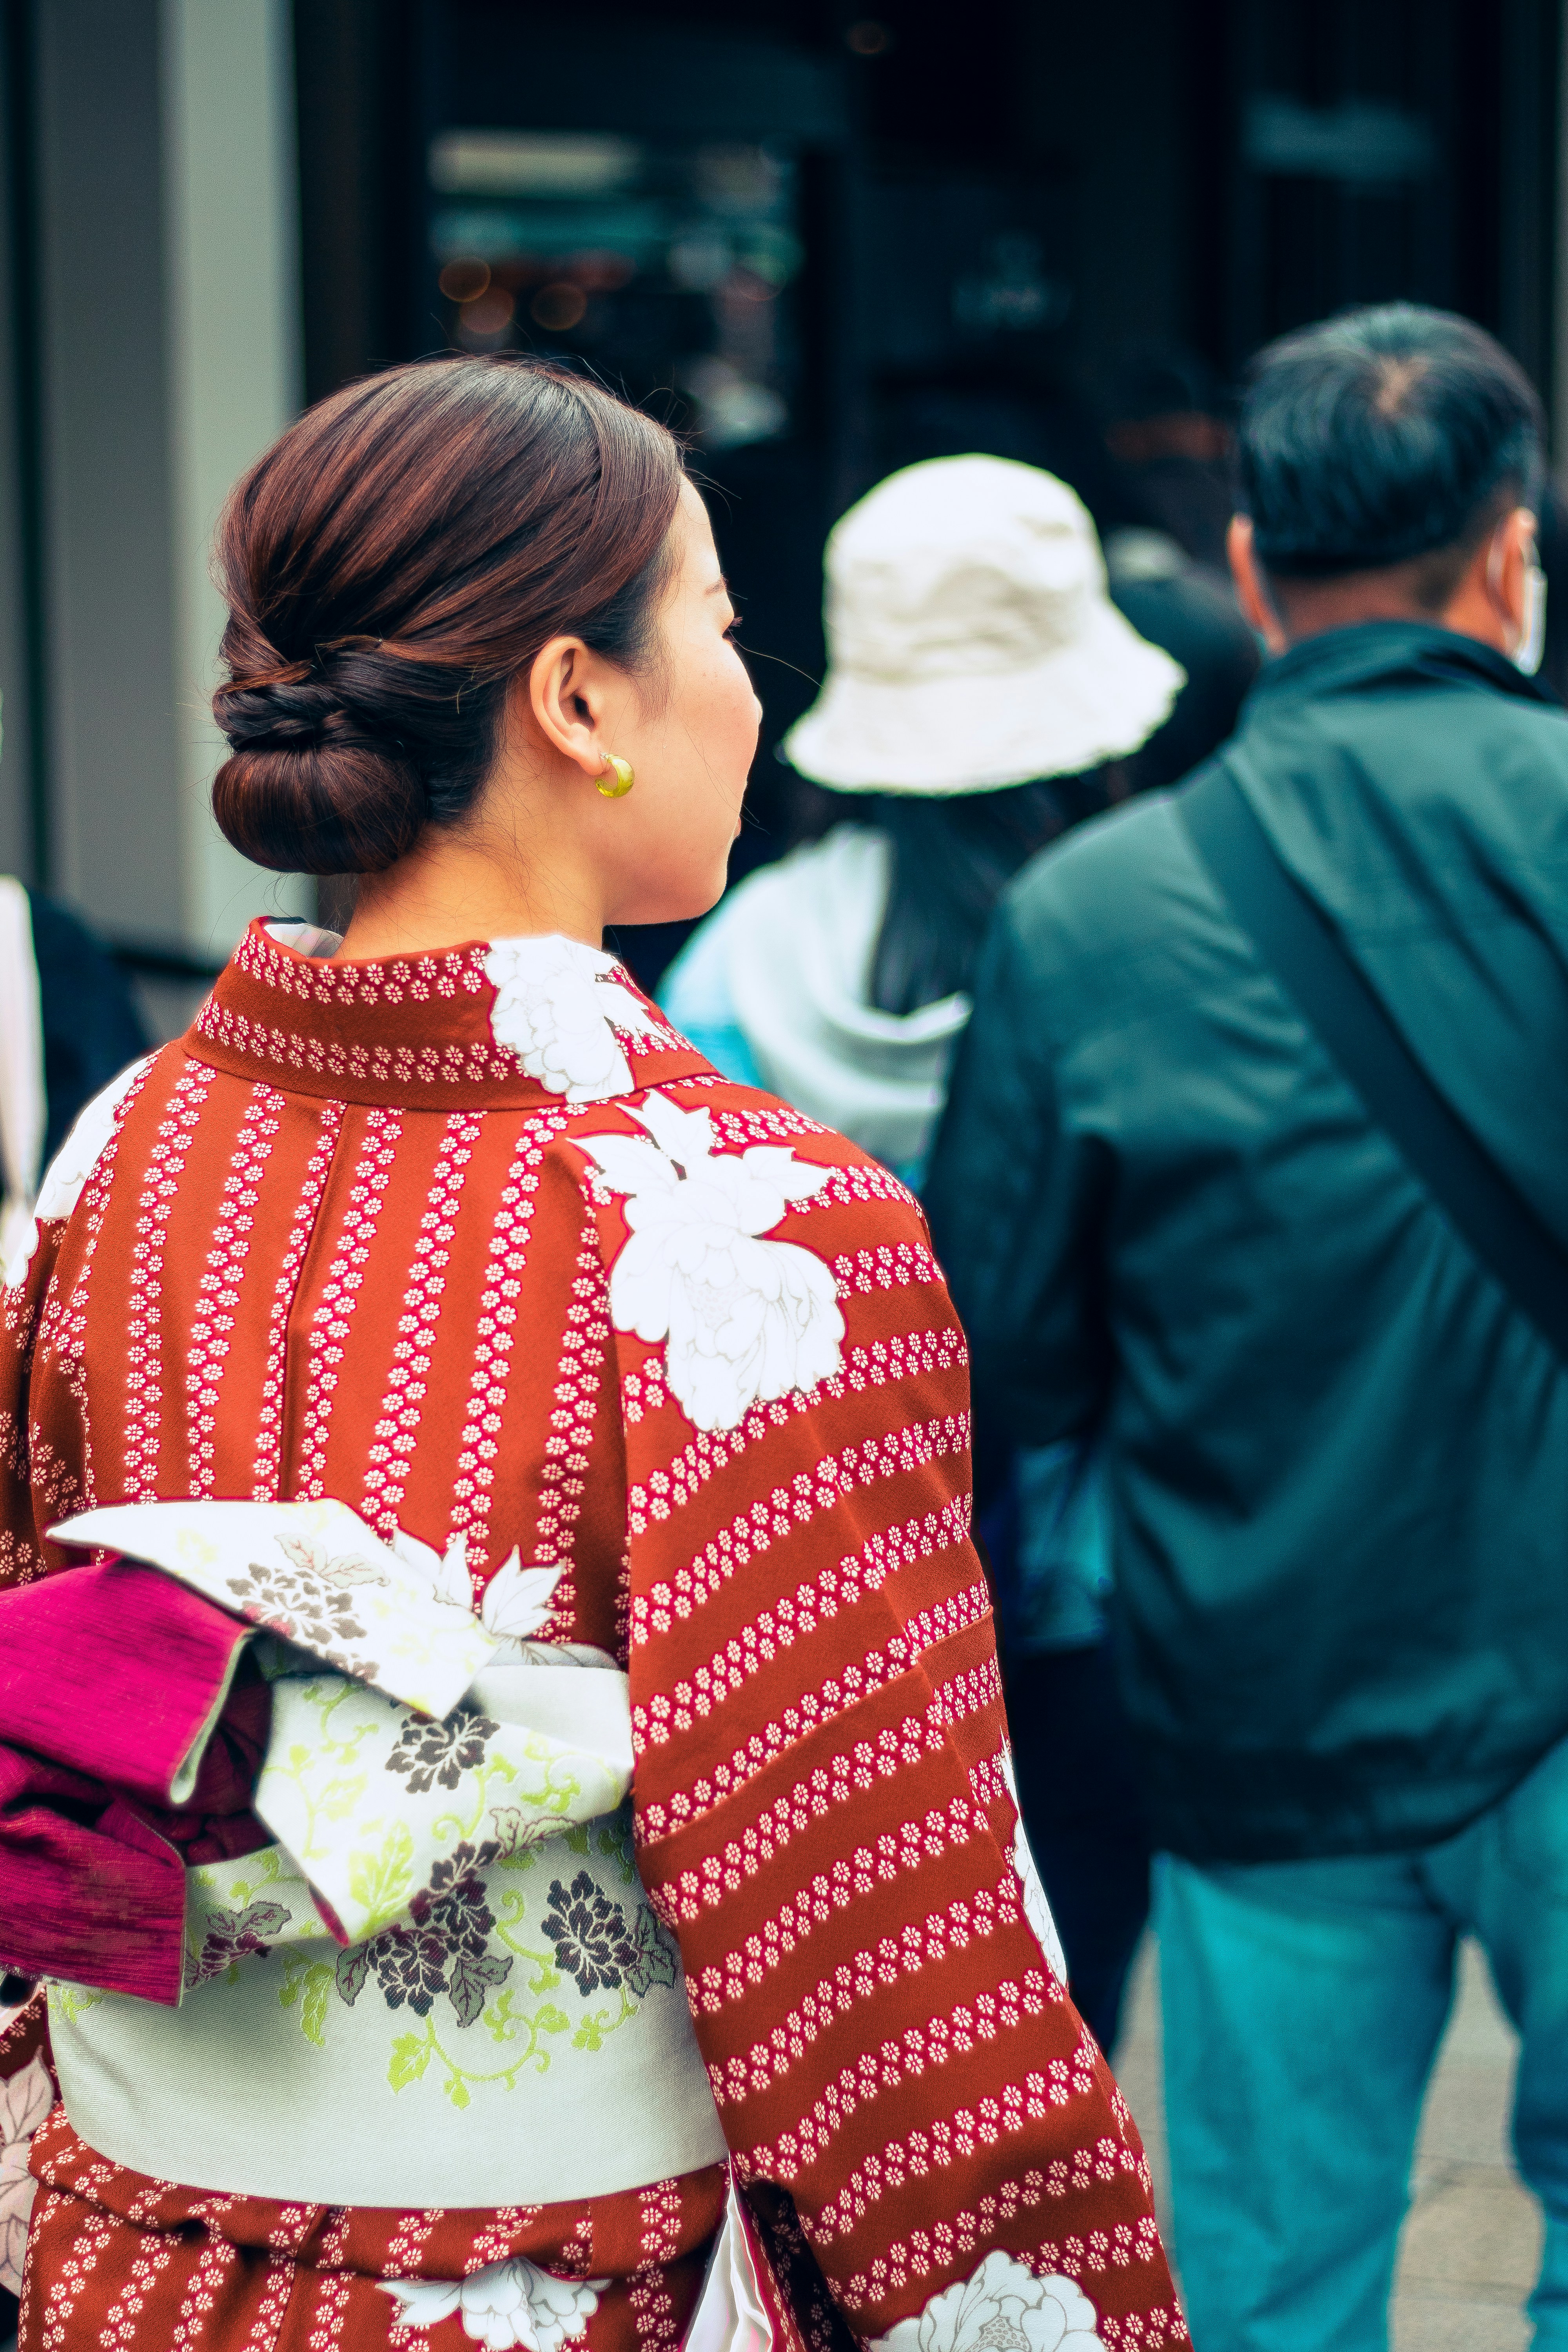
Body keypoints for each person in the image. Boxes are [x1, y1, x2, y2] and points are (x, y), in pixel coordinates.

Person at [0, 356, 1183, 2352]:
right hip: (540, 2285)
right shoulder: (745, 1226)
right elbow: (885, 1937)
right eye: (722, 626)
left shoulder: (120, 1143)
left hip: (141, 2263)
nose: (757, 691)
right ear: (575, 700)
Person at [925, 301, 1568, 2352]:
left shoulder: (1093, 914)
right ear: (1512, 555)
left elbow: (1000, 1360)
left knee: (1278, 2288)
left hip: (1258, 1701)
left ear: (1260, 579)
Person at [662, 454, 1184, 2052]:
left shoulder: (748, 952)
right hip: (1096, 1567)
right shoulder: (1138, 939)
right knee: (1073, 1961)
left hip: (842, 1577)